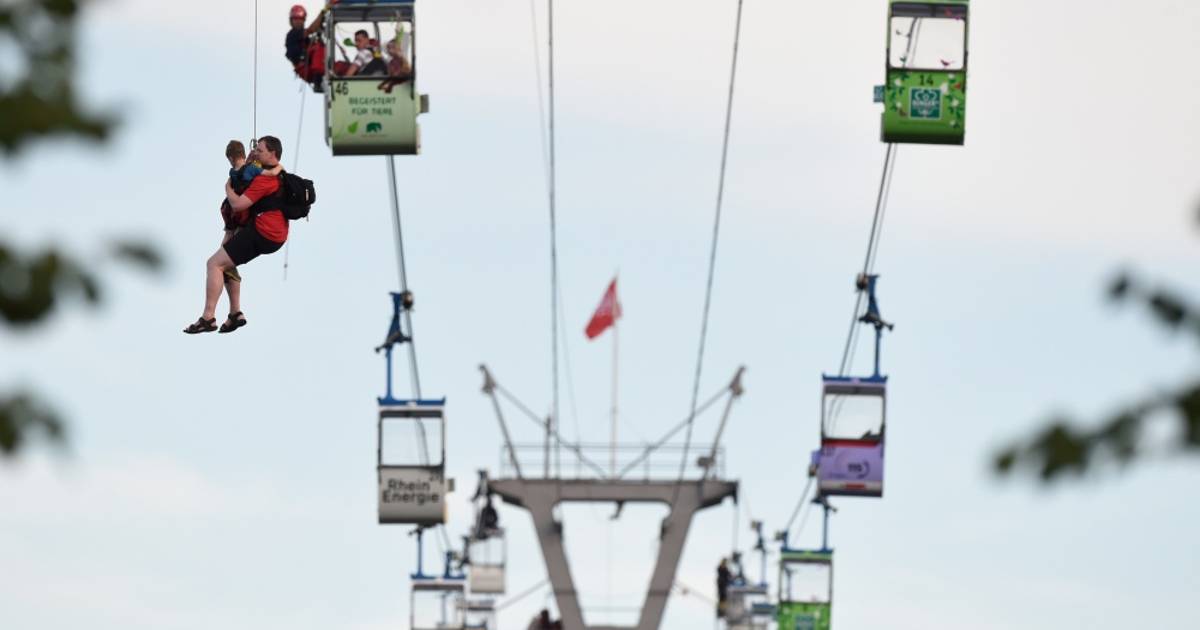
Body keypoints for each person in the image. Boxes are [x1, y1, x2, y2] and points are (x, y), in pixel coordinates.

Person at [184, 135, 290, 334]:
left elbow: (238, 204)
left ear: (272, 154)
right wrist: (252, 161)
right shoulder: (272, 174)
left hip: (264, 231)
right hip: (273, 233)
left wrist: (227, 189)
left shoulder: (265, 179)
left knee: (214, 264)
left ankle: (208, 318)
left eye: (260, 150)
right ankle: (235, 314)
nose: (255, 152)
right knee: (225, 262)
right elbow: (254, 171)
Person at [284, 4, 327, 92]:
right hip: (305, 68)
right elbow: (311, 29)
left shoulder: (304, 38)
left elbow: (312, 30)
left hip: (309, 67)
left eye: (300, 19)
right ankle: (318, 81)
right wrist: (323, 12)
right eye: (295, 19)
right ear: (291, 21)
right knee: (319, 47)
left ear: (303, 20)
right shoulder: (293, 34)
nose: (298, 22)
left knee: (338, 65)